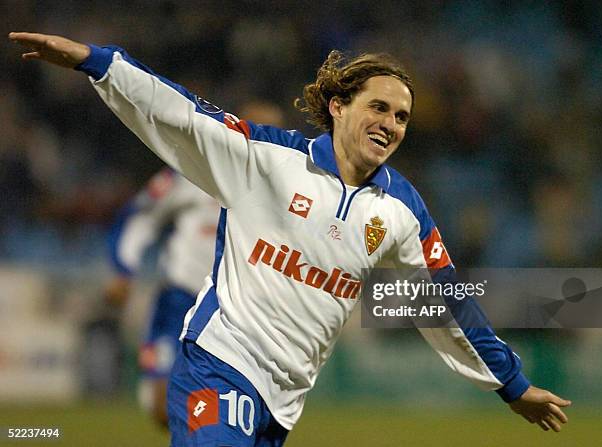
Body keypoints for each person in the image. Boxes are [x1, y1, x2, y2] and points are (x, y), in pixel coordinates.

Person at [9, 32, 571, 446]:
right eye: (378, 106)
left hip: (282, 402)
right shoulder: (269, 160)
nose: (391, 123)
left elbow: (445, 304)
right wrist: (99, 63)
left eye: (401, 116)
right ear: (337, 107)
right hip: (220, 360)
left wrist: (511, 384)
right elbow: (181, 115)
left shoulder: (402, 212)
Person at [105, 168, 220, 427]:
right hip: (180, 298)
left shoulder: (262, 172)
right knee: (161, 399)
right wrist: (124, 268)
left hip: (229, 307)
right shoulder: (188, 172)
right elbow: (141, 216)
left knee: (223, 406)